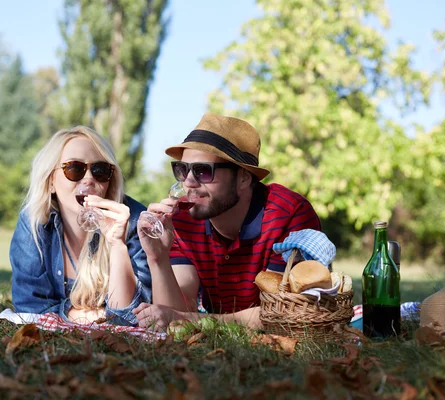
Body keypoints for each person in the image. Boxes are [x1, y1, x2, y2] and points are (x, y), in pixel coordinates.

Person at [134, 113, 321, 331]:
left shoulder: (289, 214)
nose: (189, 182)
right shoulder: (181, 220)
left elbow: (282, 312)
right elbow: (174, 317)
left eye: (203, 171)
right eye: (182, 170)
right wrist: (158, 258)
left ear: (243, 178)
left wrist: (192, 320)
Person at [10, 126, 151, 326]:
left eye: (100, 170)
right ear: (51, 181)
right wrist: (93, 315)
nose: (89, 179)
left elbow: (130, 317)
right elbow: (30, 308)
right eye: (74, 169)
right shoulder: (33, 223)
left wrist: (117, 245)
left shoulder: (133, 220)